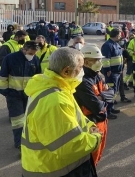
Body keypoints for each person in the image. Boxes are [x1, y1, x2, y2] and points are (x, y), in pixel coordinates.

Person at [21, 47, 102, 176]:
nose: (83, 71)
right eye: (80, 67)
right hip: (57, 169)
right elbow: (71, 146)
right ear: (66, 71)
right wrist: (96, 137)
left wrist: (89, 125)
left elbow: (75, 118)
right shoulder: (55, 100)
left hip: (55, 166)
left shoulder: (56, 87)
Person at [74, 44, 112, 166]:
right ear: (85, 61)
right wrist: (104, 97)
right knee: (88, 160)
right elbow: (96, 106)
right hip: (90, 125)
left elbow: (111, 93)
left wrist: (101, 97)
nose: (99, 62)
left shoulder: (98, 75)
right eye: (96, 60)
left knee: (96, 158)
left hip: (102, 122)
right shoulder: (82, 81)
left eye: (100, 59)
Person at [0, 41, 41, 150]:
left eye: (34, 54)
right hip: (14, 95)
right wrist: (5, 92)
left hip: (29, 95)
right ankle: (19, 143)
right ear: (24, 50)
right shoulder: (10, 58)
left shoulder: (35, 60)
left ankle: (28, 140)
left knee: (28, 119)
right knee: (18, 120)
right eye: (31, 53)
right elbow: (3, 76)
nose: (32, 56)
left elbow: (38, 77)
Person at [101, 29, 125, 119]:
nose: (120, 36)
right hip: (111, 73)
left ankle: (111, 108)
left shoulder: (116, 44)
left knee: (114, 91)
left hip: (117, 72)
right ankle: (108, 111)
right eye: (119, 35)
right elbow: (105, 59)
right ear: (115, 35)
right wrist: (107, 70)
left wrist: (121, 69)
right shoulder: (107, 45)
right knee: (110, 92)